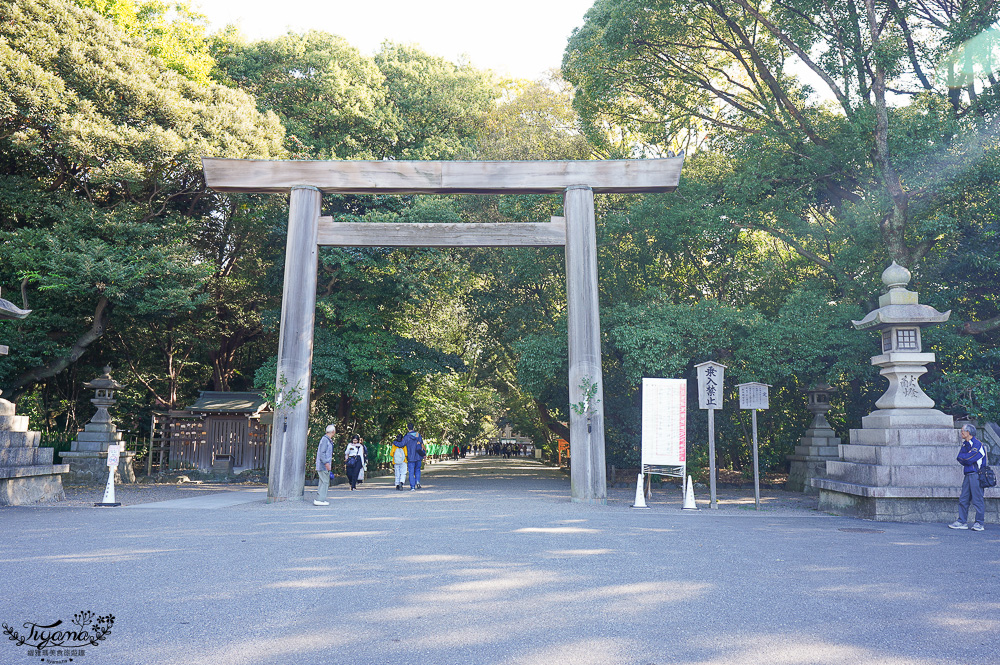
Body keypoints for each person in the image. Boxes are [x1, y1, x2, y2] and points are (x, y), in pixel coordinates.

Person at [949, 424, 988, 531]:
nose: (961, 433)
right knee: (963, 498)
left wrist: (966, 457)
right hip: (968, 474)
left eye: (962, 431)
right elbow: (959, 457)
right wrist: (966, 457)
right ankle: (962, 521)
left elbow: (968, 459)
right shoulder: (965, 445)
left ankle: (979, 523)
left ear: (968, 433)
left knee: (977, 499)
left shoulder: (977, 444)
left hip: (976, 474)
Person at [314, 424, 335, 506]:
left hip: (324, 464)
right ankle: (320, 499)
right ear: (333, 431)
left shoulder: (327, 440)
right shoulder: (325, 440)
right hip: (323, 465)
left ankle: (320, 498)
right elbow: (322, 453)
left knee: (323, 481)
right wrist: (326, 463)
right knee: (325, 482)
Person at [402, 423, 425, 491]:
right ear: (413, 427)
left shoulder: (406, 436)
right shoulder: (418, 435)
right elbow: (421, 444)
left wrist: (395, 442)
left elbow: (402, 444)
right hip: (418, 456)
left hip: (410, 456)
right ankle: (417, 481)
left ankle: (412, 487)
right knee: (418, 470)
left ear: (407, 428)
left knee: (411, 472)